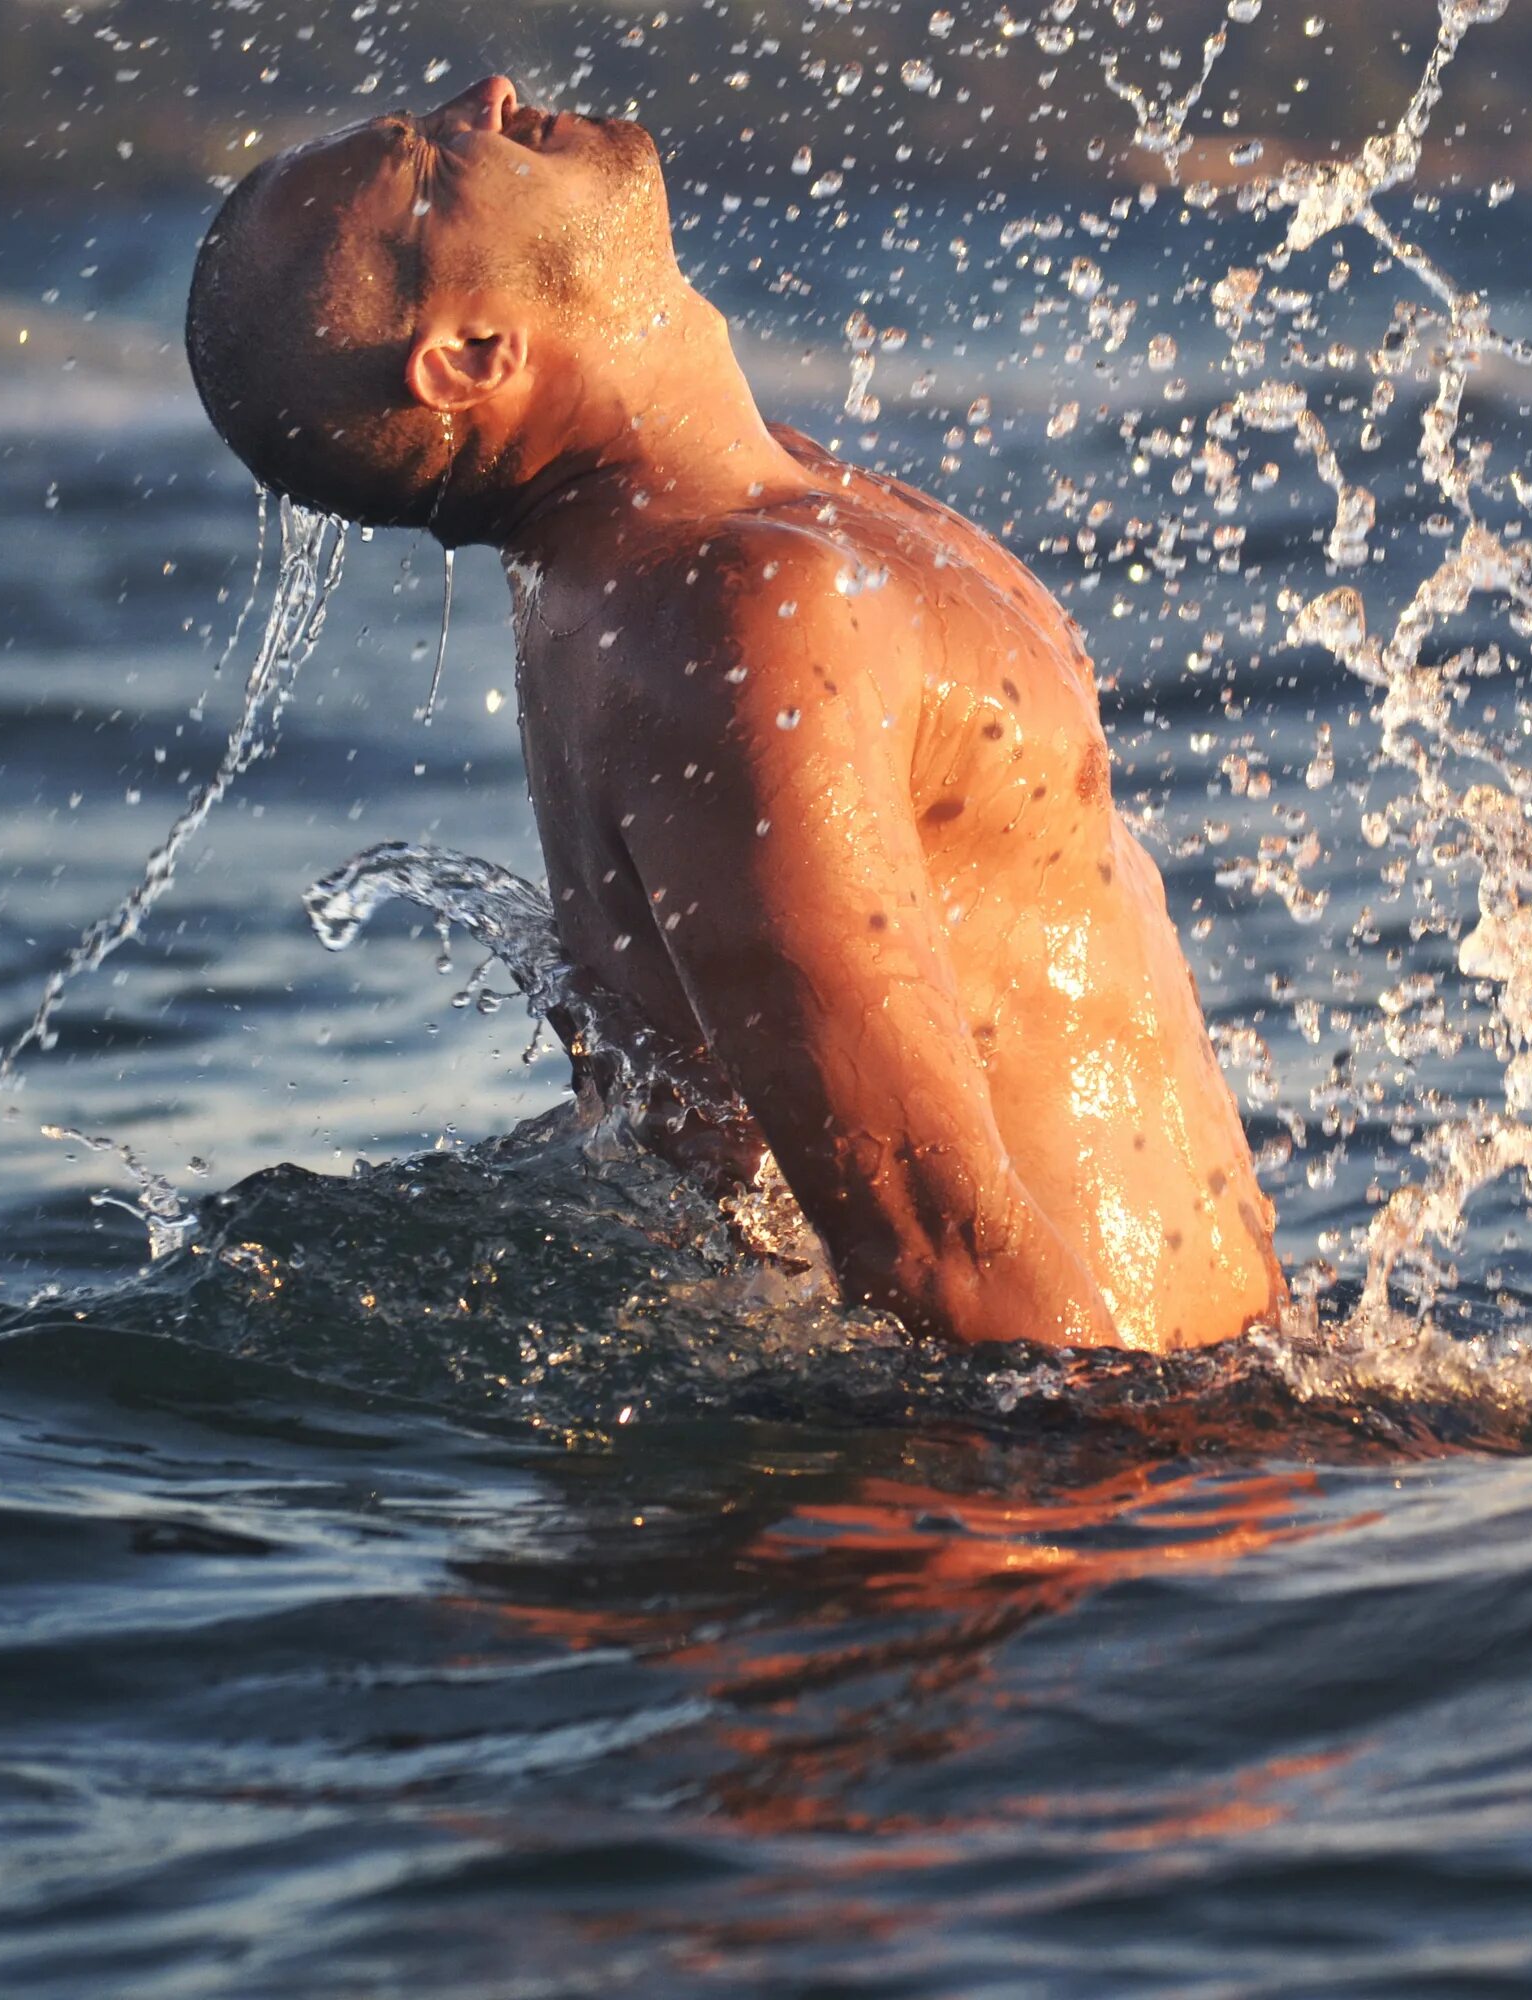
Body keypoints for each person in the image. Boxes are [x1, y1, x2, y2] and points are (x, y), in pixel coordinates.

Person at [185, 76, 1281, 1350]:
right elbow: (932, 1253)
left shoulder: (745, 522)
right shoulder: (732, 617)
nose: (484, 96)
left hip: (1182, 1440)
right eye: (434, 170)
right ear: (476, 358)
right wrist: (1174, 1493)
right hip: (1093, 1482)